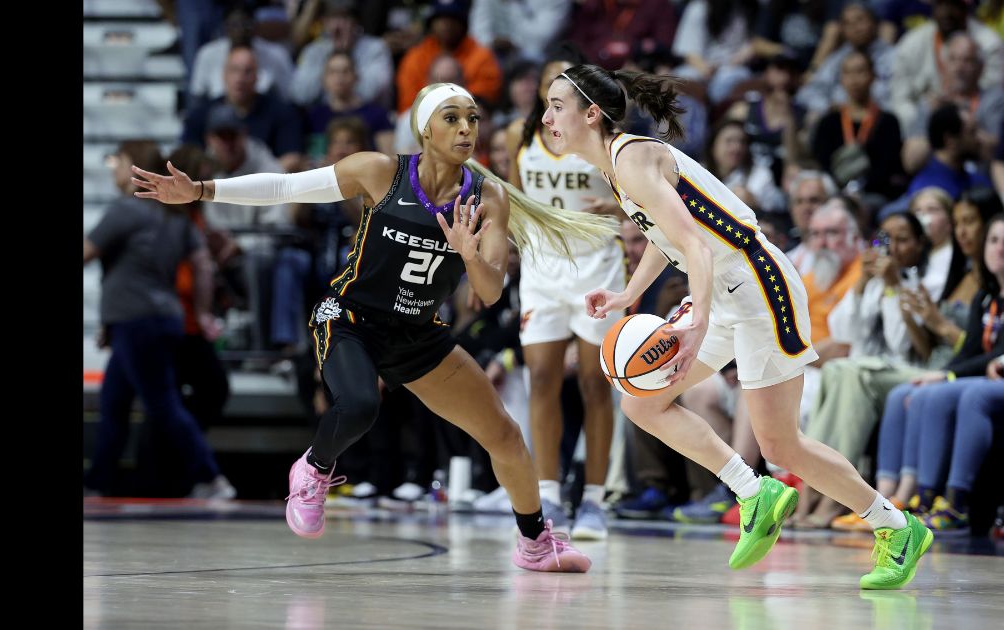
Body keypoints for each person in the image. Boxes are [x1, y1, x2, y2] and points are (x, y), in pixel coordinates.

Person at [131, 82, 618, 574]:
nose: (467, 128)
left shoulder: (487, 197)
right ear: (425, 129)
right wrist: (201, 190)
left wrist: (471, 255)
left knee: (506, 436)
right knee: (361, 404)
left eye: (473, 118)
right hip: (350, 319)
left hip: (418, 333)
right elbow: (287, 187)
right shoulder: (381, 171)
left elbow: (490, 293)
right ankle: (313, 469)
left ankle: (535, 541)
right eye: (452, 118)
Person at [541, 63, 932, 589]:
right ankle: (753, 492)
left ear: (592, 113)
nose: (545, 118)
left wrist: (697, 320)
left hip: (756, 282)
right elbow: (673, 237)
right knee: (640, 400)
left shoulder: (631, 158)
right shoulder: (619, 163)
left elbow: (698, 245)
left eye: (556, 106)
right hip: (723, 289)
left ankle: (896, 526)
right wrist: (629, 294)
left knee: (782, 445)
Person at [505, 42, 624, 540]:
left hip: (595, 268)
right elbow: (510, 199)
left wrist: (615, 214)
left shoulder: (605, 137)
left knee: (596, 384)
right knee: (541, 378)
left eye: (568, 84)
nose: (558, 91)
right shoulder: (522, 134)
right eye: (552, 82)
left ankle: (595, 500)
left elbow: (638, 199)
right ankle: (548, 492)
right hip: (541, 270)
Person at [84, 140, 234, 500]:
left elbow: (87, 252)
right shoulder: (176, 215)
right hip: (157, 318)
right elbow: (202, 267)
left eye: (116, 161)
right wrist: (200, 311)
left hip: (137, 320)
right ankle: (96, 483)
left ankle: (211, 478)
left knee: (162, 403)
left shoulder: (125, 210)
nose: (113, 170)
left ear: (133, 165)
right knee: (114, 403)